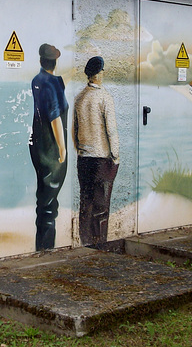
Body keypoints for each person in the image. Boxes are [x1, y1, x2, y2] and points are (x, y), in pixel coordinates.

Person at [73, 56, 119, 247]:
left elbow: (75, 131)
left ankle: (85, 243)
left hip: (84, 159)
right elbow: (112, 132)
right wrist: (115, 157)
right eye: (102, 71)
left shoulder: (79, 98)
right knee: (101, 207)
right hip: (102, 160)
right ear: (99, 74)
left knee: (86, 204)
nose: (103, 74)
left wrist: (80, 149)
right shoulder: (105, 98)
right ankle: (99, 244)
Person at [29, 43, 69, 250]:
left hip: (37, 144)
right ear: (55, 61)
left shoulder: (37, 80)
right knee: (49, 203)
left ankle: (42, 247)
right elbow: (55, 118)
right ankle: (46, 250)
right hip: (52, 148)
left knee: (44, 199)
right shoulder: (52, 83)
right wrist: (62, 148)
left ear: (40, 61)